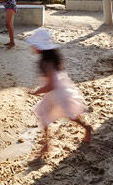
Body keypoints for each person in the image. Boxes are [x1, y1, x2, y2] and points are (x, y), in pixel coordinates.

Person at [27, 28, 92, 158]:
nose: (32, 46)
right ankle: (46, 144)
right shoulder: (49, 59)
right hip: (55, 92)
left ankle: (87, 128)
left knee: (70, 115)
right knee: (44, 115)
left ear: (40, 47)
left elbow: (51, 85)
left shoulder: (47, 62)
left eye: (34, 44)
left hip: (59, 93)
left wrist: (36, 92)